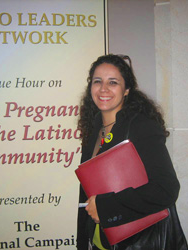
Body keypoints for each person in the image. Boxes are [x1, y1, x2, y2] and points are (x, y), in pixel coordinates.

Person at [77, 54, 187, 250]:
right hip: (98, 241)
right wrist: (81, 242)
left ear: (126, 89)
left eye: (113, 82)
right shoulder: (93, 129)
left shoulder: (141, 126)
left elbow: (166, 189)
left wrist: (105, 207)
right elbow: (86, 192)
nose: (103, 89)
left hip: (136, 242)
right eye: (97, 81)